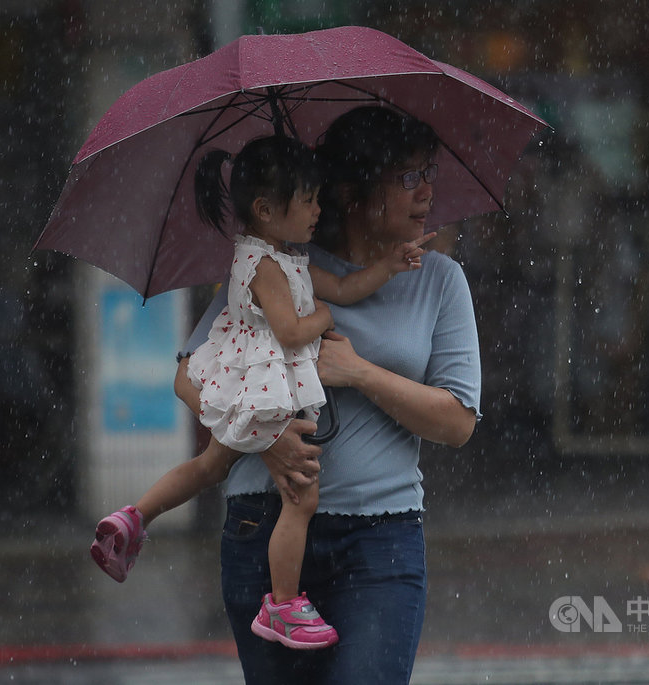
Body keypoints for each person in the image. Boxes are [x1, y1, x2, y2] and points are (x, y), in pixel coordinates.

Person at [90, 135, 433, 650]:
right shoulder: (264, 267)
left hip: (248, 388)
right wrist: (323, 318)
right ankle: (282, 604)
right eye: (309, 200)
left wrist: (389, 266)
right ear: (267, 210)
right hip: (263, 393)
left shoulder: (285, 257)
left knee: (210, 466)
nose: (320, 210)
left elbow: (344, 285)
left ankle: (136, 516)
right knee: (302, 496)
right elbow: (294, 331)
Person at [175, 107, 481, 683]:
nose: (427, 191)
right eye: (407, 177)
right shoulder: (274, 265)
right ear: (351, 191)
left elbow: (457, 421)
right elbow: (191, 377)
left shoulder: (439, 280)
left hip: (379, 539)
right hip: (263, 528)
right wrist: (262, 438)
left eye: (429, 173)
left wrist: (360, 372)